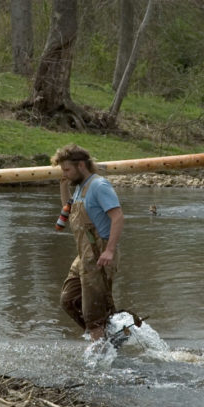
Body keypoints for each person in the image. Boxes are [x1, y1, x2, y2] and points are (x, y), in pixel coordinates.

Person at [51, 145, 124, 341]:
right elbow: (68, 209)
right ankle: (110, 337)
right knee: (69, 300)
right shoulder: (80, 187)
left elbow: (117, 217)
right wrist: (63, 185)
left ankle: (101, 345)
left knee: (93, 312)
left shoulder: (99, 186)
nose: (64, 173)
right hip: (84, 254)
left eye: (67, 170)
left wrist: (109, 251)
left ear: (81, 165)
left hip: (100, 253)